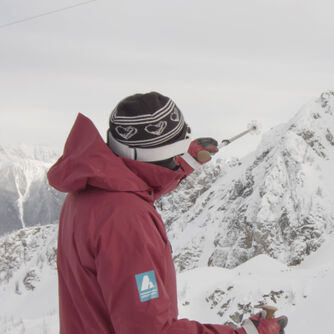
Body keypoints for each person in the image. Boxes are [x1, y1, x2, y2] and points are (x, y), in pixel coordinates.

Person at [48, 92, 288, 334]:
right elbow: (151, 330)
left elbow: (134, 183)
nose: (178, 157)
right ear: (151, 156)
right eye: (175, 151)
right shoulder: (127, 222)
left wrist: (183, 166)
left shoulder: (91, 190)